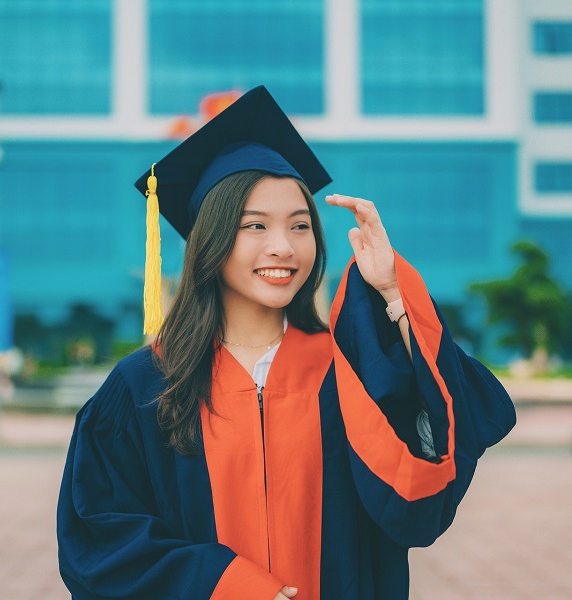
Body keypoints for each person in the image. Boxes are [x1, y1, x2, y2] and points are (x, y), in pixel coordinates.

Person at [57, 86, 516, 600]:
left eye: (300, 226)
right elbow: (99, 539)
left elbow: (435, 471)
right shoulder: (146, 384)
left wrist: (392, 291)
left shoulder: (346, 374)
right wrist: (228, 585)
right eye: (254, 225)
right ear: (209, 241)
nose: (283, 246)